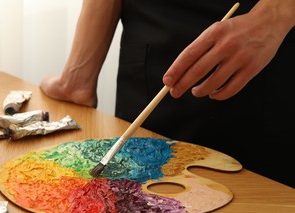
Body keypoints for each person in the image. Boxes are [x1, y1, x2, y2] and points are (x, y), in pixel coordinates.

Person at [40, 0, 295, 188]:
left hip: (265, 55)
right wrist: (79, 74)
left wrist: (277, 14)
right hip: (152, 48)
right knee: (133, 197)